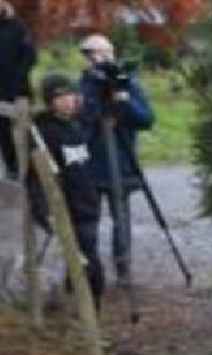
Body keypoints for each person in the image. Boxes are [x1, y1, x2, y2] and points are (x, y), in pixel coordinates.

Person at [78, 34, 155, 286]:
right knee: (87, 219)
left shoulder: (127, 84)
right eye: (93, 54)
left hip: (121, 162)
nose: (100, 59)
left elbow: (146, 119)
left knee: (121, 220)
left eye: (104, 53)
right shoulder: (82, 86)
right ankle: (86, 270)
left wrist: (123, 100)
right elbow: (81, 124)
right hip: (91, 164)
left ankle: (123, 270)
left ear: (113, 53)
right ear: (86, 58)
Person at [27, 74, 104, 310]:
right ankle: (86, 314)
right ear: (50, 100)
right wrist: (45, 212)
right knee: (88, 267)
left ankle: (87, 311)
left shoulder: (77, 125)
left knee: (88, 264)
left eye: (71, 94)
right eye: (61, 96)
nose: (68, 100)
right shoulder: (44, 133)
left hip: (88, 208)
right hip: (66, 211)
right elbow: (36, 178)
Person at [0, 0, 37, 180]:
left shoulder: (18, 27)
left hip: (18, 94)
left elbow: (30, 57)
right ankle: (11, 170)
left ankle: (26, 177)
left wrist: (16, 84)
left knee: (21, 137)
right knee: (3, 135)